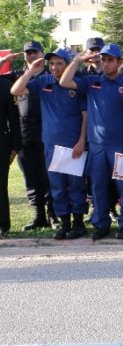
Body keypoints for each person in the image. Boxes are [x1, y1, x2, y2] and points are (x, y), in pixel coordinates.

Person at [60, 44, 123, 239]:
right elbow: (65, 81)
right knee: (98, 186)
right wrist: (78, 60)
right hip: (97, 145)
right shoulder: (92, 82)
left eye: (110, 59)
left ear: (119, 62)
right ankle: (101, 224)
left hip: (119, 144)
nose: (106, 63)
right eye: (104, 59)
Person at [11, 48, 88, 240]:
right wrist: (30, 70)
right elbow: (16, 90)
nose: (54, 67)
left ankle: (78, 223)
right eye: (51, 63)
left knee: (76, 186)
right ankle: (64, 223)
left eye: (59, 63)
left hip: (73, 145)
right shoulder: (43, 82)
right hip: (51, 145)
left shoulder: (77, 83)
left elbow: (85, 116)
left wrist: (81, 141)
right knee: (57, 186)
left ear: (68, 64)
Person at [12, 41, 57, 231]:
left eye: (34, 52)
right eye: (27, 53)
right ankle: (39, 215)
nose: (31, 55)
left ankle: (53, 214)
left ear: (42, 53)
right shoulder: (18, 76)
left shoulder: (51, 76)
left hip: (45, 128)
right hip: (25, 130)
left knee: (50, 174)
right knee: (31, 175)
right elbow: (13, 91)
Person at [0, 68, 21, 238]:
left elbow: (14, 118)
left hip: (2, 142)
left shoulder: (6, 86)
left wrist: (15, 146)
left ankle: (3, 224)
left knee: (0, 186)